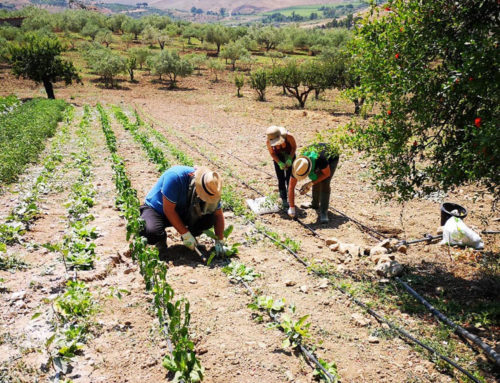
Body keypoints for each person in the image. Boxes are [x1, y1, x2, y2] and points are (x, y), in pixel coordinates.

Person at [140, 165, 225, 258]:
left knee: (209, 218)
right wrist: (185, 234)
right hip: (158, 210)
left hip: (182, 210)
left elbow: (218, 215)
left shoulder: (211, 187)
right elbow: (168, 210)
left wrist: (220, 241)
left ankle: (192, 237)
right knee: (152, 233)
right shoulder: (175, 177)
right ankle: (160, 240)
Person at [287, 143, 339, 223]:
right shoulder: (298, 164)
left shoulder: (320, 159)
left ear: (309, 169)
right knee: (316, 178)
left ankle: (323, 211)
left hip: (331, 156)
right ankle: (314, 204)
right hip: (318, 158)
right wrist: (292, 207)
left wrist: (310, 183)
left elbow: (326, 174)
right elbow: (291, 187)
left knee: (324, 182)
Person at [266, 126, 297, 209]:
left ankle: (290, 197)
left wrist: (290, 158)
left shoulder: (289, 136)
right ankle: (283, 198)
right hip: (278, 157)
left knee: (290, 178)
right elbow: (272, 153)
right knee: (281, 178)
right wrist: (279, 162)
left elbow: (294, 147)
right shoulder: (269, 141)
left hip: (289, 154)